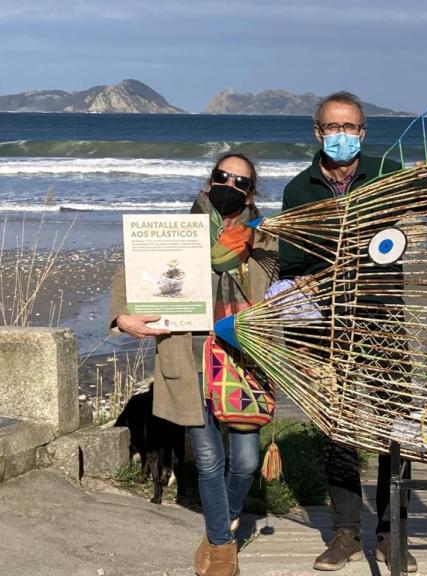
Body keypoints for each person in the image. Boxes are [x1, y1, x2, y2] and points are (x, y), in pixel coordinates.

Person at [279, 91, 427, 573]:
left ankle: (391, 532)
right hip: (329, 322)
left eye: (350, 127)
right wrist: (300, 305)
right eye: (333, 127)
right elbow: (291, 263)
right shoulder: (298, 190)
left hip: (384, 317)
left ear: (363, 132)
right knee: (338, 428)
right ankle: (345, 532)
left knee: (393, 425)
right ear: (318, 132)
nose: (342, 135)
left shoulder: (386, 172)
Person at [110, 153, 277, 576]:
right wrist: (122, 317)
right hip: (189, 357)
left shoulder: (264, 237)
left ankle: (224, 521)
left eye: (241, 182)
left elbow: (281, 289)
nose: (230, 186)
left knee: (246, 462)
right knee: (207, 459)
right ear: (209, 182)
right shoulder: (177, 232)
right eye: (223, 176)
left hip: (242, 358)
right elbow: (130, 274)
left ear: (251, 193)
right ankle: (222, 546)